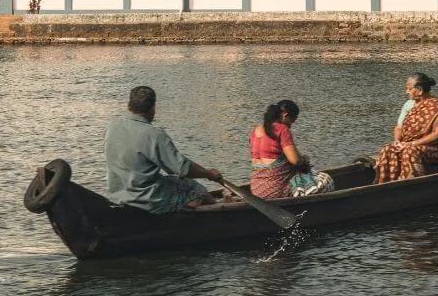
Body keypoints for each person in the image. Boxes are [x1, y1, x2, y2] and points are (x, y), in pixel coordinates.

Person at [104, 85, 223, 214]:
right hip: (148, 201)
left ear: (129, 106)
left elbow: (177, 161)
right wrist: (208, 174)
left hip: (118, 198)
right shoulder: (154, 134)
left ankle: (187, 210)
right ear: (153, 108)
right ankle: (216, 217)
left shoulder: (112, 127)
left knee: (174, 182)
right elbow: (182, 168)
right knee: (196, 188)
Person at [374, 73, 438, 184]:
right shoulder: (408, 105)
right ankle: (385, 184)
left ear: (419, 90)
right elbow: (399, 128)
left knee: (410, 151)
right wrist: (397, 141)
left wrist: (411, 144)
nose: (407, 92)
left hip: (436, 149)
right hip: (408, 144)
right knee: (388, 148)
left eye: (409, 89)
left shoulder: (436, 106)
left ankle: (414, 184)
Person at [249, 99, 334, 199]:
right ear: (285, 115)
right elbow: (295, 161)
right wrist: (305, 161)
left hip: (256, 189)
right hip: (274, 190)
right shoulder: (282, 129)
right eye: (292, 120)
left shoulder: (256, 130)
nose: (290, 125)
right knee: (326, 180)